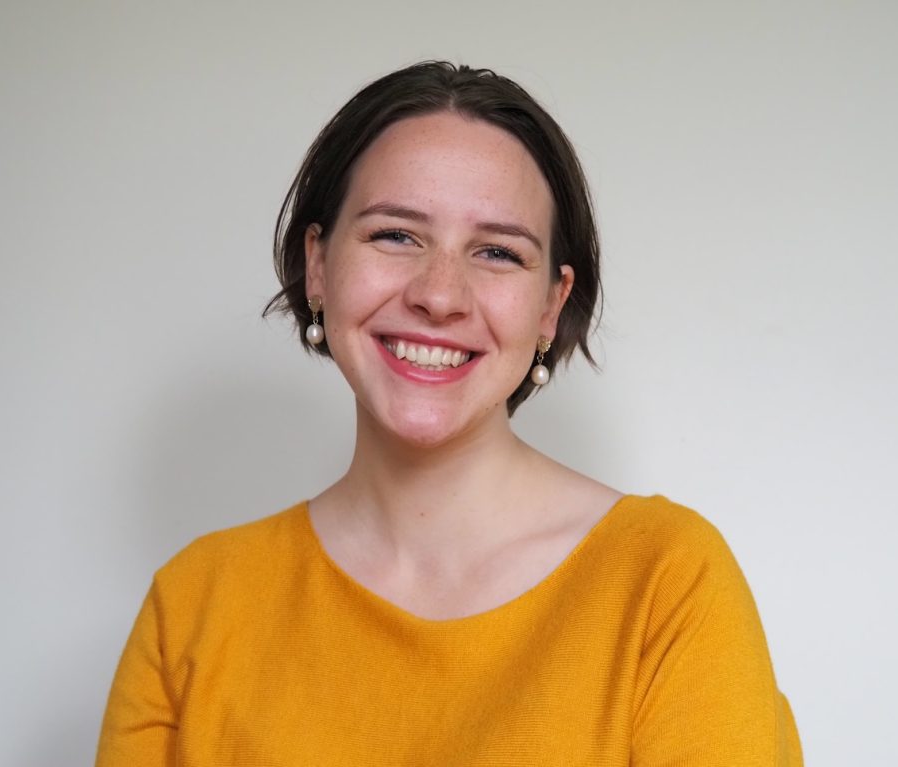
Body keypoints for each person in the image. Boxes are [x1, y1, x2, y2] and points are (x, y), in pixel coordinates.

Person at [96, 61, 802, 766]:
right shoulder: (193, 605)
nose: (440, 294)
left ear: (551, 306)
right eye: (395, 235)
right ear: (319, 265)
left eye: (497, 251)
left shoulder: (667, 581)